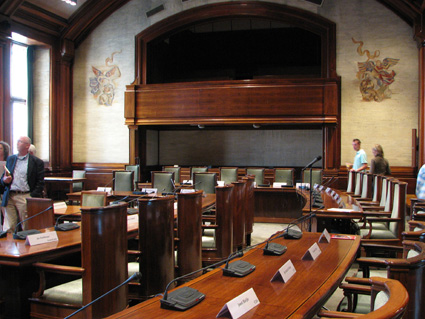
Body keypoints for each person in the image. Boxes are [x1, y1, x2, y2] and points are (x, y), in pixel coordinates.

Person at [0, 136, 45, 232]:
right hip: (10, 195)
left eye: (20, 142)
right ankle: (9, 246)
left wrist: (32, 196)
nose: (17, 143)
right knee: (9, 227)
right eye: (17, 141)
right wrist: (4, 180)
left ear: (27, 146)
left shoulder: (36, 162)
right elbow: (3, 177)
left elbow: (40, 182)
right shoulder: (11, 159)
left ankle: (25, 245)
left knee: (26, 225)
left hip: (24, 196)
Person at [0, 141, 10, 231]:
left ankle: (4, 230)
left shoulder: (8, 162)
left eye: (0, 148)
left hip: (4, 191)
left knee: (5, 213)